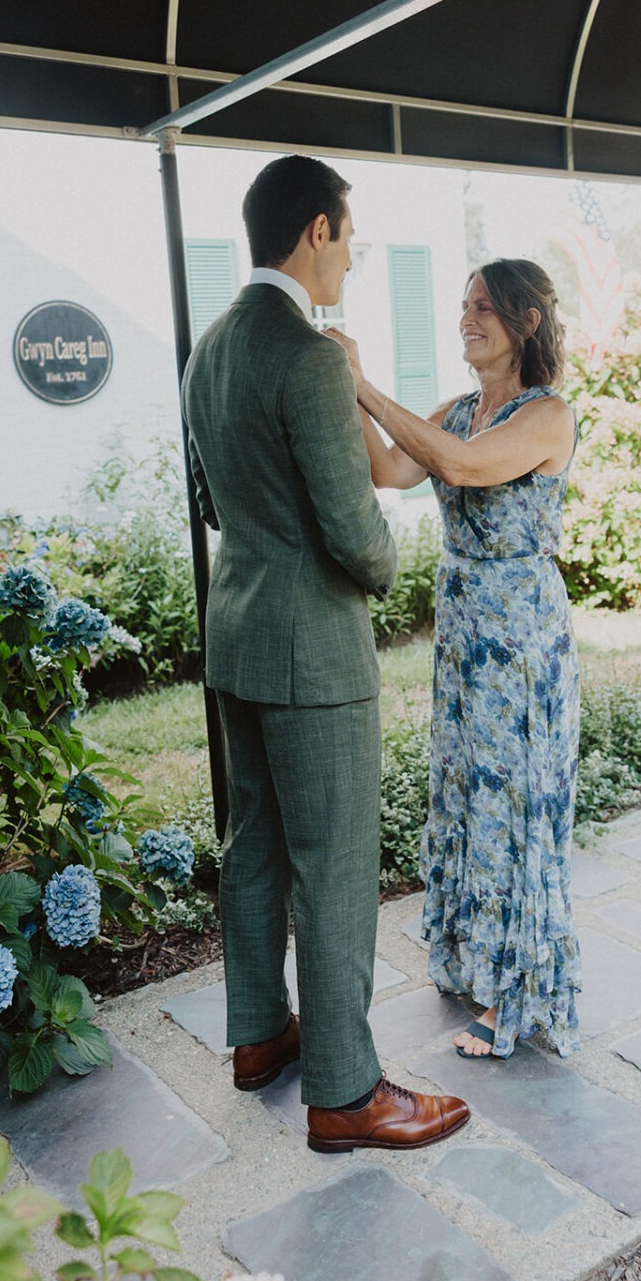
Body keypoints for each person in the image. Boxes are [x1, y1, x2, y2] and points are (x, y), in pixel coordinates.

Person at [181, 154, 469, 1151]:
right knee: (337, 862)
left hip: (237, 633)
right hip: (312, 650)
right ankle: (345, 1091)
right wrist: (386, 564)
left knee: (254, 843)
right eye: (349, 235)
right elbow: (358, 541)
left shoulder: (208, 349)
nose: (352, 255)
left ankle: (258, 1037)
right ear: (315, 231)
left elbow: (215, 505)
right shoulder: (306, 358)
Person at [326, 258, 581, 1060]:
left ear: (524, 322)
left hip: (523, 646)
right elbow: (392, 467)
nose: (465, 320)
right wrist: (348, 394)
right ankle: (474, 959)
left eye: (482, 310)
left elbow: (462, 467)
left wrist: (364, 384)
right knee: (468, 801)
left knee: (514, 813)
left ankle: (519, 995)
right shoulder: (462, 408)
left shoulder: (549, 416)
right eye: (463, 307)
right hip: (466, 640)